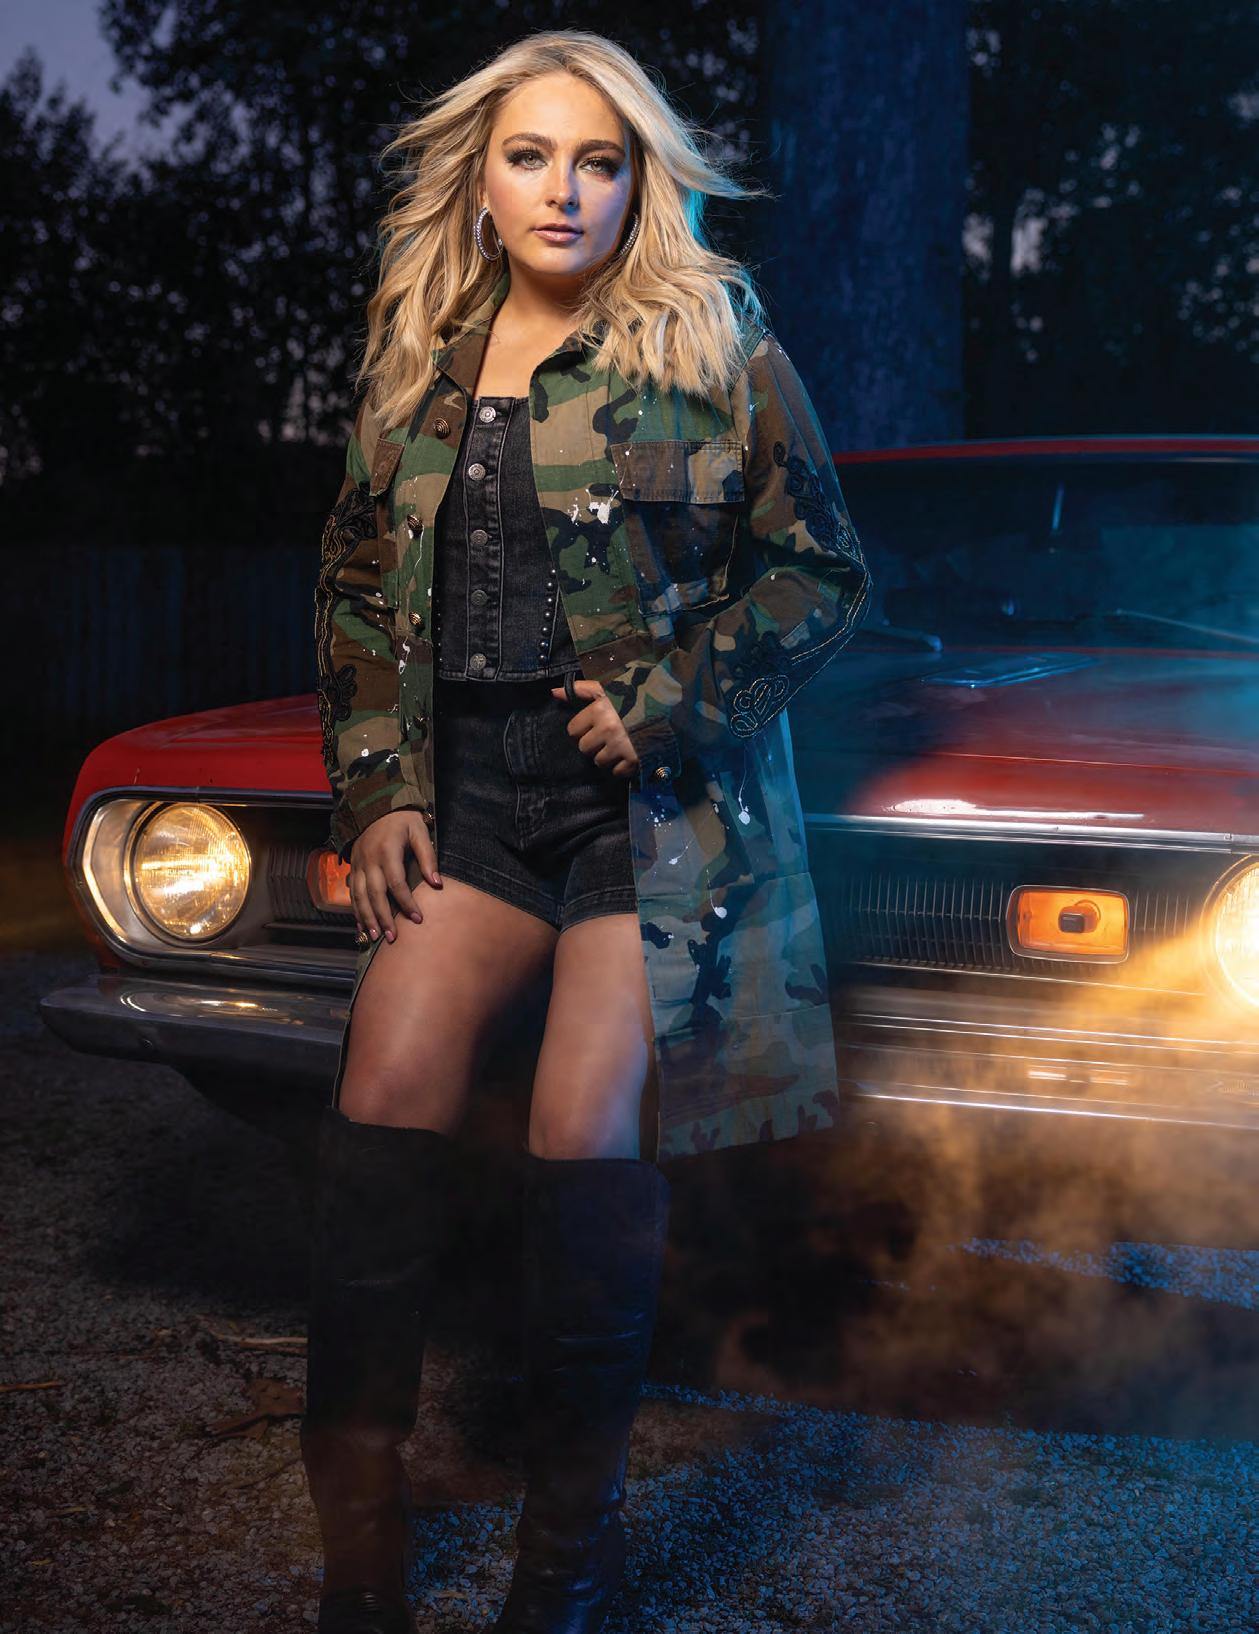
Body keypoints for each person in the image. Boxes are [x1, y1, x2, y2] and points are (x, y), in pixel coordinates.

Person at [305, 26, 873, 1634]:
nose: (565, 189)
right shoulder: (417, 357)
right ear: (481, 184)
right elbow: (356, 582)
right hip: (471, 804)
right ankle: (360, 1556)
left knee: (579, 1125)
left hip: (651, 814)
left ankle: (569, 1559)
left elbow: (825, 574)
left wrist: (670, 700)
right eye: (531, 156)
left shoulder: (715, 340)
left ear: (640, 183)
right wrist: (380, 787)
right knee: (382, 1089)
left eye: (600, 160)